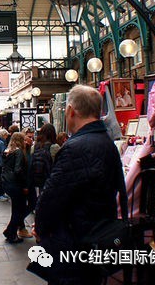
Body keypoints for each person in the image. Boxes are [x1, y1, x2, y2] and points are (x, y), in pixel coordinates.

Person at [33, 85, 125, 285]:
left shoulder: (74, 148)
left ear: (71, 110)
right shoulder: (108, 144)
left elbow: (52, 197)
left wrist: (40, 227)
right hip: (100, 238)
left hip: (74, 244)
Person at [1, 132, 29, 243]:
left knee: (16, 209)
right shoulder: (19, 152)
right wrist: (24, 184)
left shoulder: (8, 151)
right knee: (19, 209)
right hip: (15, 184)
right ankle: (11, 232)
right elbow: (18, 170)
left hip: (7, 182)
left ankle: (10, 231)